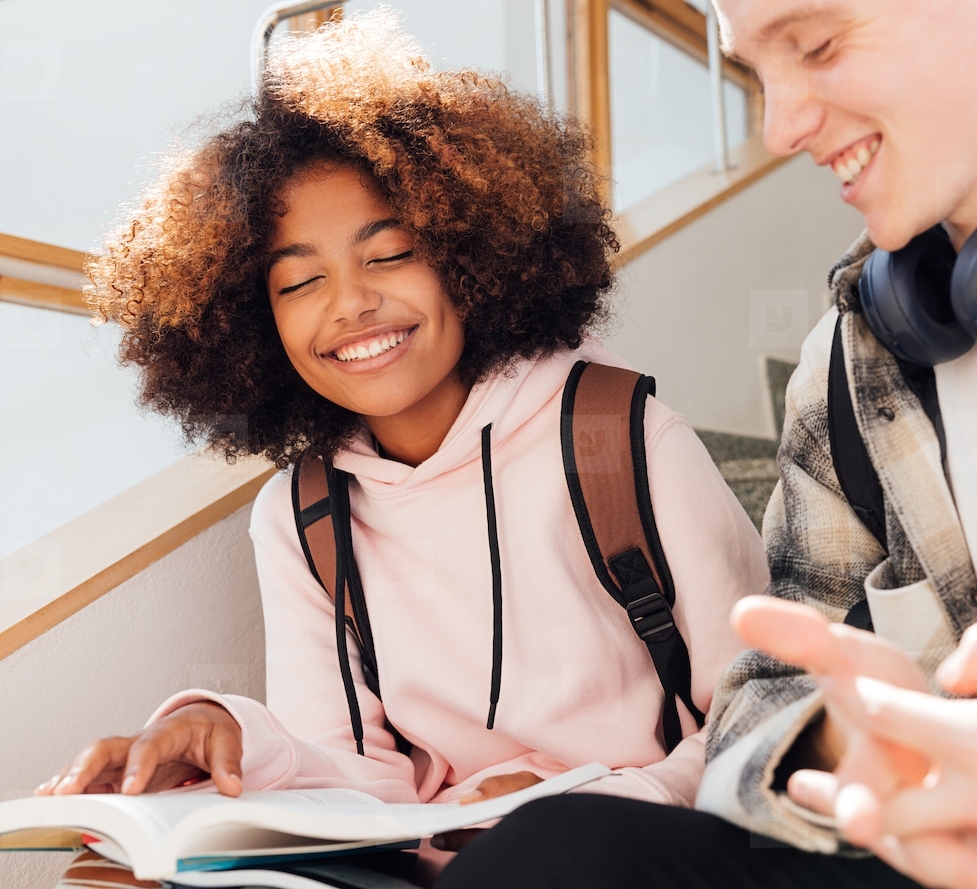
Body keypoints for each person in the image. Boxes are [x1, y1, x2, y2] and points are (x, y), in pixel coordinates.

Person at [431, 0, 977, 887]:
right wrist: (844, 735)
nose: (780, 126)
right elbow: (760, 701)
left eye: (817, 45)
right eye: (755, 72)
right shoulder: (854, 359)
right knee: (551, 856)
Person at [38, 11, 768, 887]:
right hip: (437, 864)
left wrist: (594, 798)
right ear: (254, 323)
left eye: (390, 254)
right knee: (111, 877)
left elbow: (764, 718)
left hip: (631, 847)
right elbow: (359, 779)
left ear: (470, 256)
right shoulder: (303, 515)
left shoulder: (619, 435)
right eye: (301, 280)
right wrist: (225, 726)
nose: (349, 304)